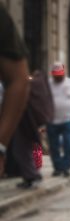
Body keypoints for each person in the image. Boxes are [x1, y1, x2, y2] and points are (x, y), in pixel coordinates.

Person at [0, 4, 30, 177]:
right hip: (26, 125)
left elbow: (19, 80)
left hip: (33, 125)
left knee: (32, 148)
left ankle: (33, 174)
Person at [46, 62, 70, 177]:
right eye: (56, 75)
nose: (58, 77)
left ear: (64, 72)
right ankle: (57, 167)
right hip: (51, 120)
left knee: (68, 144)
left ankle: (66, 167)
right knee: (53, 146)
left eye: (60, 74)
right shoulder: (48, 84)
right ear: (52, 74)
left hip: (68, 120)